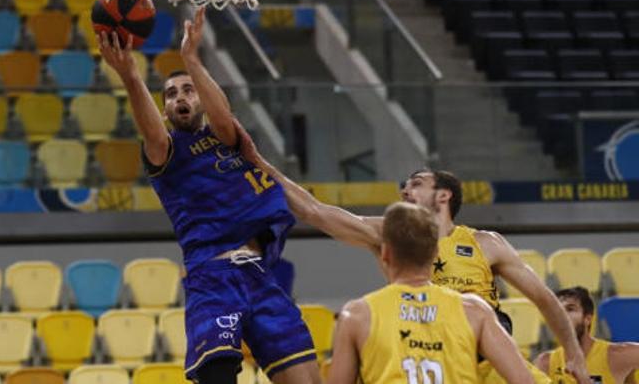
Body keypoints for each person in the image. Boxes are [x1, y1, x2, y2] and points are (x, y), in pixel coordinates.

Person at [232, 121, 592, 384]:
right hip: (420, 355)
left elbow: (545, 299)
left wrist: (574, 355)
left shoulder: (486, 243)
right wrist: (259, 163)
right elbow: (314, 211)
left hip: (487, 362)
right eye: (404, 187)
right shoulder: (390, 231)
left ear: (444, 195)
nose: (405, 191)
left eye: (417, 184)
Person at [97, 8, 320, 384]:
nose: (180, 98)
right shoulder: (165, 150)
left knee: (308, 380)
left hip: (260, 274)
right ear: (165, 109)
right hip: (212, 277)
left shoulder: (228, 140)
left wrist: (192, 59)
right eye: (170, 94)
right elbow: (152, 134)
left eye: (188, 90)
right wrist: (130, 74)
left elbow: (224, 116)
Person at [329, 201, 535, 384]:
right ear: (435, 254)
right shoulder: (474, 310)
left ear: (385, 254)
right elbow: (524, 380)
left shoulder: (357, 315)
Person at [534, 286, 639, 384]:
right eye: (557, 311)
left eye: (570, 309)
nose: (561, 316)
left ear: (587, 319)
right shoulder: (546, 363)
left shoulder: (619, 355)